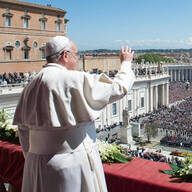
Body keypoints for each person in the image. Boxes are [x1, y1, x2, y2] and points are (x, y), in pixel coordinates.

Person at [13, 36, 135, 192]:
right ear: (65, 55)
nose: (77, 59)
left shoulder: (30, 85)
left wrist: (33, 157)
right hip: (71, 165)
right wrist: (126, 63)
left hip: (35, 165)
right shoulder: (74, 79)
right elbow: (119, 88)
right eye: (75, 55)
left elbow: (23, 131)